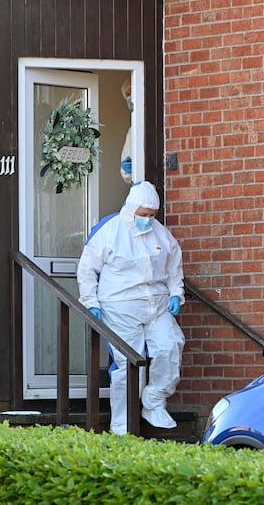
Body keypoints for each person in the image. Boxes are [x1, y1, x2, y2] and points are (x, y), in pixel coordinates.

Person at [77, 181, 185, 435]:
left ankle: (154, 401)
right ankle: (122, 425)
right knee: (127, 362)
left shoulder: (161, 235)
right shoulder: (110, 230)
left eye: (152, 215)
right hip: (119, 307)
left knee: (171, 345)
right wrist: (90, 302)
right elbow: (87, 269)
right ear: (131, 208)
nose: (148, 219)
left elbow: (173, 268)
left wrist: (176, 294)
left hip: (157, 306)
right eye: (143, 214)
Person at [119, 78, 134, 183]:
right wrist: (126, 170)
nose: (131, 97)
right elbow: (126, 176)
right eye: (128, 94)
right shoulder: (132, 131)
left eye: (133, 92)